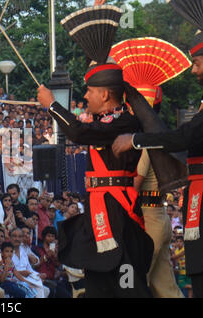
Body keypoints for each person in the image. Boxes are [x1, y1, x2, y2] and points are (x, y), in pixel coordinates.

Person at [38, 5, 153, 297]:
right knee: (100, 280)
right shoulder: (107, 120)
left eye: (90, 91)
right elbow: (85, 128)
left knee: (125, 280)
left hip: (118, 209)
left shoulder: (123, 120)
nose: (85, 96)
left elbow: (77, 131)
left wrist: (52, 105)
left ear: (104, 95)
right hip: (100, 206)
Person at [111, 1, 203, 297]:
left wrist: (136, 141)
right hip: (163, 214)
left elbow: (183, 138)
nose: (193, 71)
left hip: (151, 215)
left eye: (198, 63)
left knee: (134, 281)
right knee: (167, 286)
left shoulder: (149, 143)